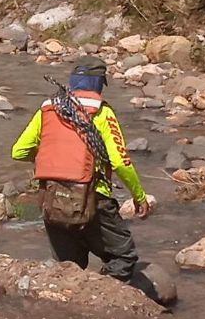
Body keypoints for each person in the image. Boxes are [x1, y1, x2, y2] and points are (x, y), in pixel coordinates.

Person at [11, 56, 151, 283]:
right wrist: (139, 197)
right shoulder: (102, 112)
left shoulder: (48, 109)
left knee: (68, 267)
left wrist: (53, 160)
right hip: (94, 199)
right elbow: (120, 162)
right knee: (123, 256)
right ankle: (103, 295)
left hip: (53, 199)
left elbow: (19, 152)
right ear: (98, 84)